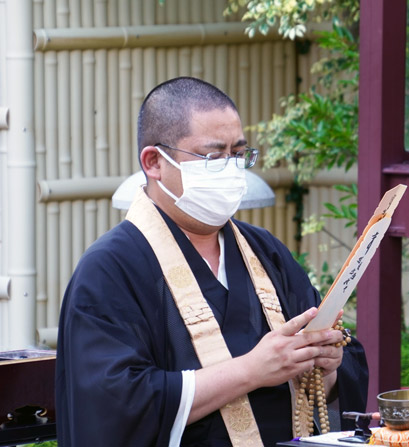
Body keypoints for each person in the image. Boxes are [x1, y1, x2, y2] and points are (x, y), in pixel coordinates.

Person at [56, 77, 368, 446]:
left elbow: (335, 376)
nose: (233, 169)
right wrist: (251, 371)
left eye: (239, 154)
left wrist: (324, 367)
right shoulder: (109, 269)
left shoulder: (264, 251)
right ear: (154, 162)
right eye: (213, 157)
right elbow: (114, 404)